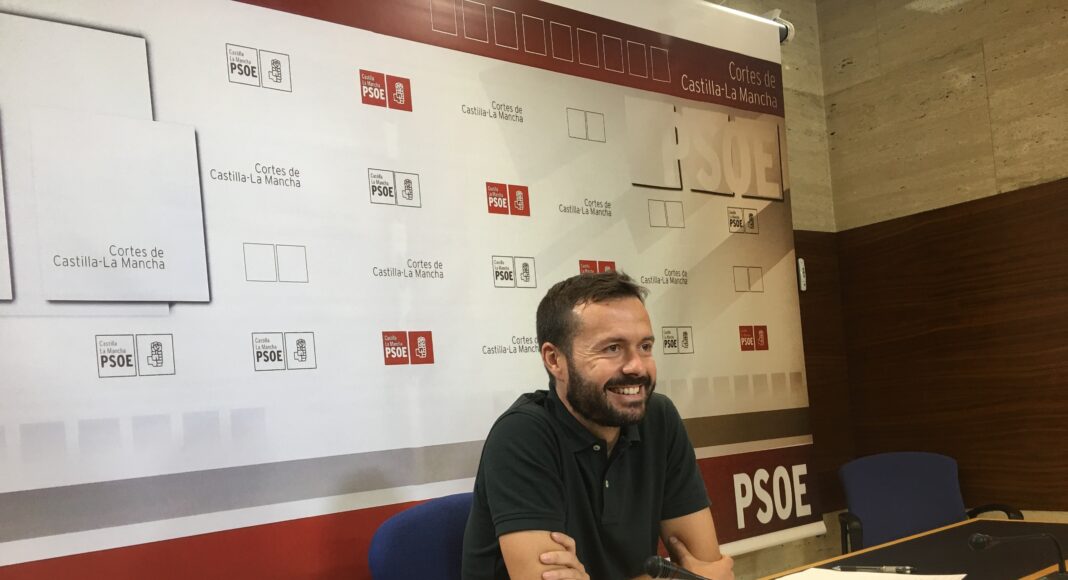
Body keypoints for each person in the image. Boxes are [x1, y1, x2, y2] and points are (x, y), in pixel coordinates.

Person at [462, 271, 734, 580]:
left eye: (645, 346)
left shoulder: (659, 418)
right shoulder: (521, 435)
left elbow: (707, 568)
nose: (637, 366)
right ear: (554, 360)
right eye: (612, 348)